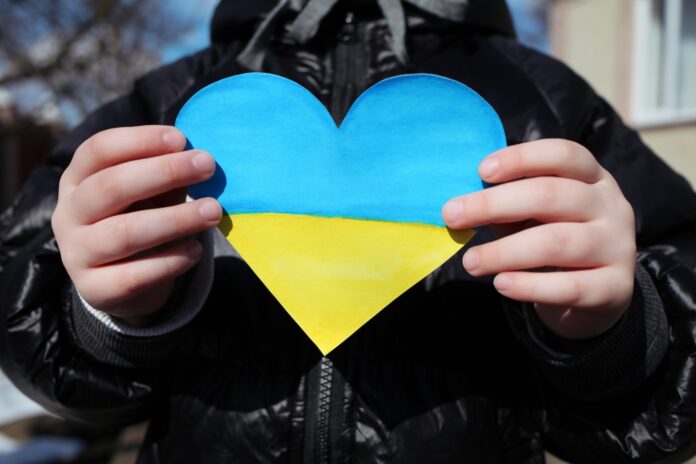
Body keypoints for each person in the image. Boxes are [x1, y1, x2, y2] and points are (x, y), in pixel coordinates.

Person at [2, 0, 696, 462]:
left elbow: (676, 361)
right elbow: (20, 297)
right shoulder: (170, 106)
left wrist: (613, 331)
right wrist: (104, 314)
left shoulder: (545, 101)